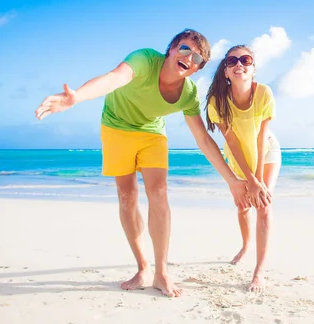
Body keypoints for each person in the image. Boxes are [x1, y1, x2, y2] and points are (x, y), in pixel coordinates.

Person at [35, 29, 267, 297]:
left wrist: (234, 181)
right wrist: (76, 97)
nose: (189, 58)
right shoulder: (144, 60)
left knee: (158, 192)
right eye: (184, 49)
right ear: (171, 49)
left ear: (197, 69)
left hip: (152, 132)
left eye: (197, 59)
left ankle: (161, 273)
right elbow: (114, 78)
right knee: (127, 196)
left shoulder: (188, 93)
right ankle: (143, 266)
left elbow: (203, 140)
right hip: (116, 126)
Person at [206, 45, 281, 292]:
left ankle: (259, 272)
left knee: (263, 206)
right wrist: (247, 180)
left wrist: (257, 181)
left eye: (245, 60)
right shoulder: (218, 101)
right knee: (242, 207)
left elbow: (262, 137)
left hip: (266, 153)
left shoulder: (264, 94)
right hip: (237, 159)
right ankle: (246, 245)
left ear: (253, 69)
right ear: (226, 71)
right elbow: (232, 142)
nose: (239, 64)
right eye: (232, 61)